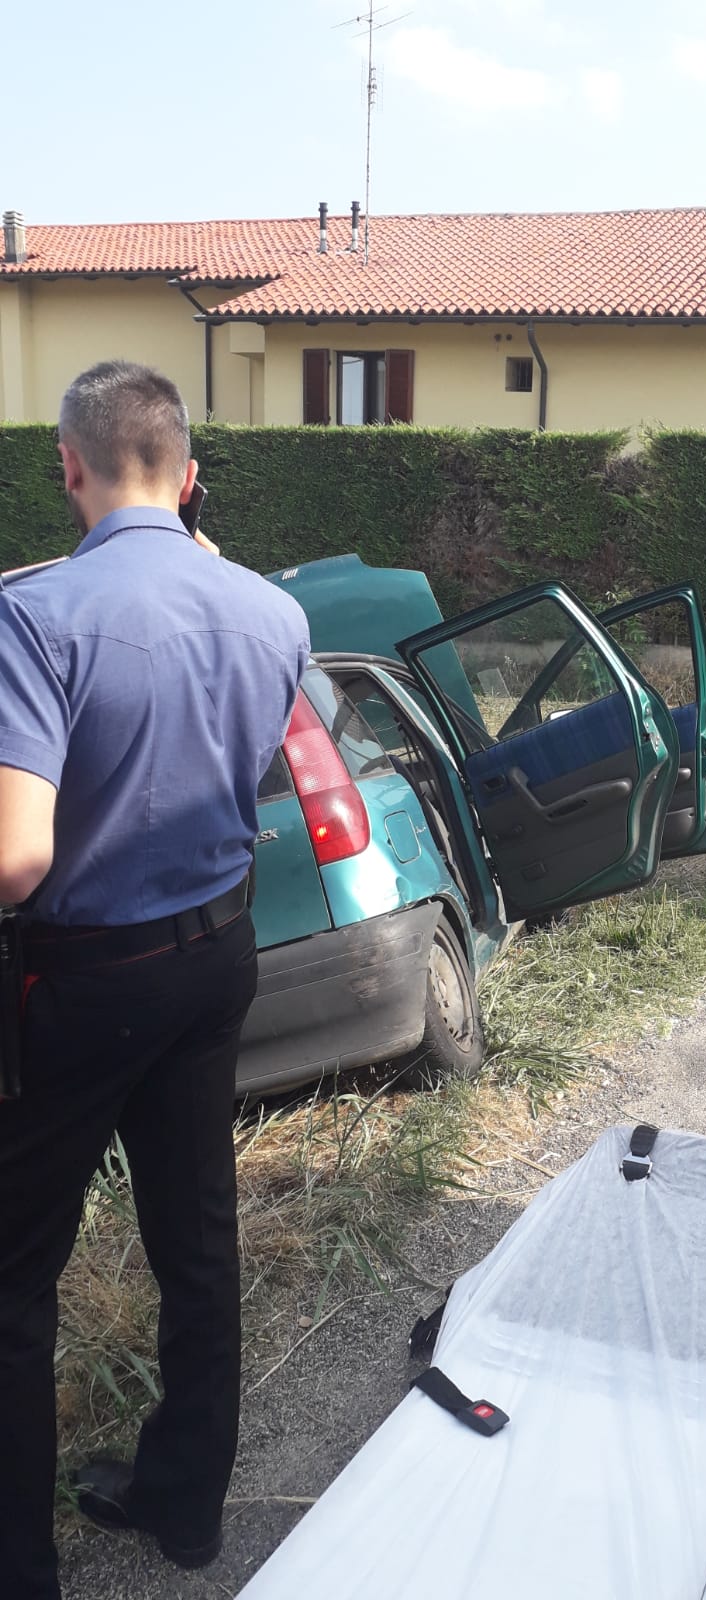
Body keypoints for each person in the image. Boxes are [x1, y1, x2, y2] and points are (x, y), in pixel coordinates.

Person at [0, 361, 310, 1599]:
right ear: (187, 477)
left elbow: (19, 859)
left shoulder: (35, 617)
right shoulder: (272, 613)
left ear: (67, 467)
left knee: (15, 1277)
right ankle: (184, 1506)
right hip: (217, 958)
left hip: (83, 978)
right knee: (195, 1236)